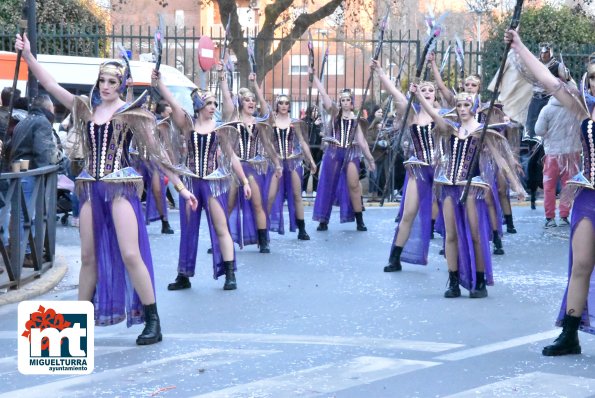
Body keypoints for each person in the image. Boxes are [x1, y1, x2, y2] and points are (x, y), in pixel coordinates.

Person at [15, 33, 198, 345]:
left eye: (113, 81)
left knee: (130, 253)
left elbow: (156, 155)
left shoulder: (132, 113)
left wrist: (181, 187)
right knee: (88, 257)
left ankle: (152, 320)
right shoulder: (85, 109)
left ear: (122, 84)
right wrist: (30, 57)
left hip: (120, 189)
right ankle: (77, 326)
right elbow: (51, 86)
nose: (106, 86)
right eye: (103, 80)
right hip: (90, 189)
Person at [505, 29, 595, 356]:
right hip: (588, 195)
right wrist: (520, 46)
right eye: (593, 77)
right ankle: (570, 334)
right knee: (581, 264)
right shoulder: (585, 108)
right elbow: (549, 80)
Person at [415, 85, 524, 298]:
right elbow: (434, 116)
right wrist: (419, 95)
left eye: (466, 105)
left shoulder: (482, 131)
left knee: (476, 234)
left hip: (472, 188)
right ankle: (453, 281)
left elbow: (501, 159)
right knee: (451, 235)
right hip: (449, 186)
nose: (462, 108)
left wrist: (516, 185)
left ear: (474, 107)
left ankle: (480, 281)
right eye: (459, 105)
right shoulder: (450, 128)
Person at [153, 69, 251, 291]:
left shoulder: (219, 129)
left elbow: (232, 156)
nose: (213, 108)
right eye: (209, 103)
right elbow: (175, 106)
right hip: (190, 184)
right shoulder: (187, 125)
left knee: (221, 227)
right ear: (198, 106)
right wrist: (159, 85)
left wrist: (244, 181)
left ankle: (229, 273)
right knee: (188, 229)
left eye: (214, 104)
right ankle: (183, 275)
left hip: (213, 184)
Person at [370, 59, 440, 271]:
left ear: (435, 95)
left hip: (440, 170)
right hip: (418, 169)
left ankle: (457, 263)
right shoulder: (412, 113)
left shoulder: (444, 115)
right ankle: (395, 257)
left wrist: (433, 67)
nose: (427, 92)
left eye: (430, 90)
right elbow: (395, 93)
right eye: (424, 89)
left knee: (447, 217)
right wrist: (381, 72)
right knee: (408, 213)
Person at [220, 69, 281, 253]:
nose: (251, 103)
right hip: (234, 167)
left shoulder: (259, 122)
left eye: (252, 100)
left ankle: (263, 241)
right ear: (240, 102)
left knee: (258, 204)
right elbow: (225, 97)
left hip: (253, 168)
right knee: (229, 204)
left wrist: (277, 163)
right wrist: (222, 77)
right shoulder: (233, 117)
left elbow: (268, 145)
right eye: (247, 100)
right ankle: (220, 239)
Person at [310, 68, 376, 231]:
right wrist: (315, 78)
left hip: (351, 153)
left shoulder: (357, 119)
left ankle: (359, 220)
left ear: (352, 102)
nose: (345, 102)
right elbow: (325, 96)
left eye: (348, 100)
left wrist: (370, 159)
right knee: (328, 185)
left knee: (353, 185)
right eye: (343, 100)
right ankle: (323, 220)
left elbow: (361, 141)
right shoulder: (335, 114)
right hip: (334, 152)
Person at [8, 94, 57, 267]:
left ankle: (21, 253)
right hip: (30, 174)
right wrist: (45, 175)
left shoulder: (24, 121)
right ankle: (24, 255)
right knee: (27, 216)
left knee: (20, 215)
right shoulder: (42, 122)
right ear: (47, 108)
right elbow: (42, 152)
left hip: (18, 172)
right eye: (53, 108)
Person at [267, 94, 317, 240]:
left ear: (289, 105)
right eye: (281, 103)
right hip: (276, 163)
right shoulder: (271, 122)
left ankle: (302, 229)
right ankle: (262, 229)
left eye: (286, 103)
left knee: (296, 195)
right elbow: (267, 143)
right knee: (270, 196)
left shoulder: (295, 122)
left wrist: (311, 161)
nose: (283, 105)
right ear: (277, 105)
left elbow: (302, 142)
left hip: (293, 161)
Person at [535, 93, 582, 228]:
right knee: (568, 186)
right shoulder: (575, 109)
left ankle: (549, 218)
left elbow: (539, 130)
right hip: (572, 153)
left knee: (549, 187)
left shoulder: (547, 109)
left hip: (552, 154)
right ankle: (564, 216)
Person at [301, 105, 323, 196]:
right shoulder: (304, 121)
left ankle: (315, 190)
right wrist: (314, 125)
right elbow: (305, 133)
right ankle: (303, 190)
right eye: (314, 111)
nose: (316, 113)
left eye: (317, 111)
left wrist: (318, 126)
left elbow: (322, 133)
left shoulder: (320, 121)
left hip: (317, 148)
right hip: (308, 148)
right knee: (307, 169)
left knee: (316, 170)